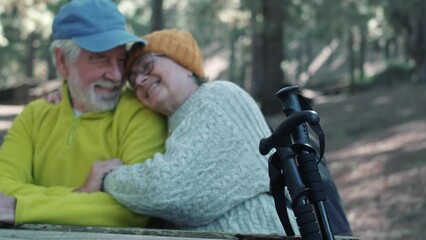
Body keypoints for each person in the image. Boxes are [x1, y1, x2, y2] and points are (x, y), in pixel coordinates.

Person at [74, 28, 299, 235]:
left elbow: (167, 189)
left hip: (263, 231)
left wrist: (107, 177)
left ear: (186, 64)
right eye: (133, 80)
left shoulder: (218, 96)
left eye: (147, 66)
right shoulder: (175, 123)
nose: (140, 81)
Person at [0, 0, 167, 227]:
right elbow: (2, 187)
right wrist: (82, 194)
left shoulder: (140, 114)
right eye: (100, 58)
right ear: (62, 61)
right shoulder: (34, 115)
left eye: (121, 59)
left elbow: (134, 208)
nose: (117, 75)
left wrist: (21, 207)